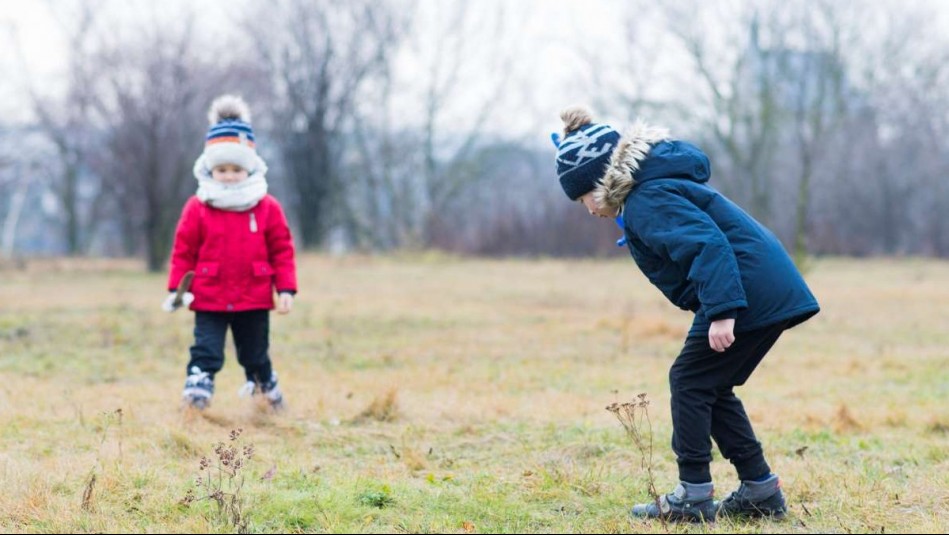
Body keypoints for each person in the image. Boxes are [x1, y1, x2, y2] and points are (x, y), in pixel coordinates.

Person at [553, 106, 820, 522]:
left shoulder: (646, 200)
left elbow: (707, 247)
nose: (587, 209)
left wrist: (722, 312)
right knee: (710, 385)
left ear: (602, 182)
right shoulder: (648, 195)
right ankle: (760, 490)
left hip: (746, 293)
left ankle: (693, 496)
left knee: (689, 381)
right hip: (759, 287)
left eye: (584, 197)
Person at [163, 94, 297, 411]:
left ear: (248, 168)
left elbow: (282, 249)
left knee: (254, 351)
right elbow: (184, 249)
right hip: (209, 294)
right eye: (221, 169)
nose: (229, 175)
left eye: (236, 168)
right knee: (206, 348)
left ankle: (265, 389)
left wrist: (286, 288)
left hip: (254, 294)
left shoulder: (266, 207)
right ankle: (197, 390)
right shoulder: (198, 207)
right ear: (210, 169)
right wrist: (177, 289)